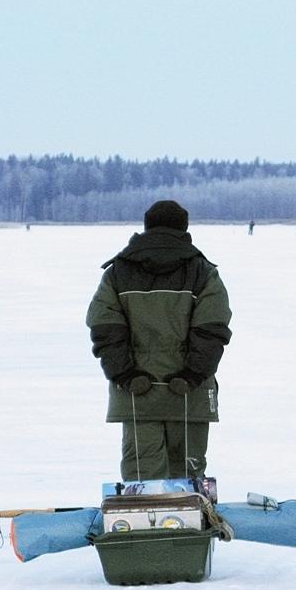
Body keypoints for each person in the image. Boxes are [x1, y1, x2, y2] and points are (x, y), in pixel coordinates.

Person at [86, 200, 232, 481]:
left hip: (137, 395)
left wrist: (126, 375)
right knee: (187, 481)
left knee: (143, 479)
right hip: (189, 394)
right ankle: (189, 523)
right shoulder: (203, 272)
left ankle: (143, 523)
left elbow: (106, 328)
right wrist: (191, 375)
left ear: (146, 226)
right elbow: (212, 330)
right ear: (184, 228)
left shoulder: (117, 273)